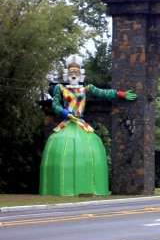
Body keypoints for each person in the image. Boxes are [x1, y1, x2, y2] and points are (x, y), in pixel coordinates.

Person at [40, 55, 136, 196]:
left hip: (81, 123)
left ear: (81, 75)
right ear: (67, 74)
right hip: (67, 122)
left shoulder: (86, 89)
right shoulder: (60, 89)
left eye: (76, 73)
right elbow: (55, 105)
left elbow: (103, 93)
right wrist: (66, 113)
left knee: (92, 148)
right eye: (71, 72)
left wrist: (121, 94)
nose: (74, 75)